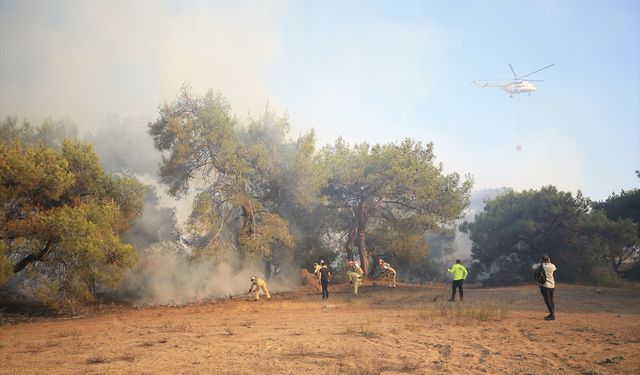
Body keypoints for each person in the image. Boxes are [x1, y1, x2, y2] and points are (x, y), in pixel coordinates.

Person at [533, 255, 557, 320]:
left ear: (542, 260)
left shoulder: (541, 265)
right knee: (551, 300)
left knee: (547, 301)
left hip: (545, 285)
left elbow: (533, 267)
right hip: (552, 285)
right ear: (548, 259)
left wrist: (539, 262)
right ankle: (552, 314)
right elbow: (554, 268)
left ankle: (552, 316)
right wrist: (549, 262)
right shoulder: (552, 266)